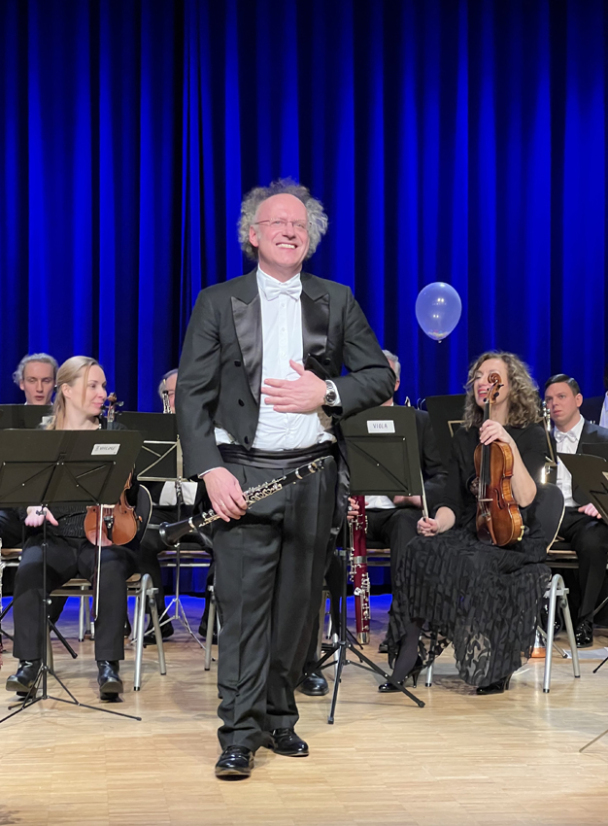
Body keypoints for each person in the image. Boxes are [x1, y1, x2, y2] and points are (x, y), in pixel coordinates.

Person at [176, 179, 393, 779]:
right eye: (278, 223)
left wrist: (326, 392)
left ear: (310, 238)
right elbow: (191, 397)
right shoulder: (218, 301)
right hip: (241, 473)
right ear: (254, 235)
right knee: (245, 611)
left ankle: (279, 717)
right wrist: (211, 470)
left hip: (312, 475)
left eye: (300, 224)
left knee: (297, 612)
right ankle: (238, 733)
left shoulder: (336, 299)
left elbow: (378, 375)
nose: (291, 231)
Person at [385, 351, 550, 695]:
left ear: (511, 385)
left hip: (515, 538)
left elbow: (525, 497)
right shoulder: (465, 437)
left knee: (476, 563)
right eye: (477, 376)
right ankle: (409, 655)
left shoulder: (531, 434)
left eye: (492, 376)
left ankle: (497, 663)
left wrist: (507, 441)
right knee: (419, 550)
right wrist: (437, 523)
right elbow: (452, 502)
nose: (482, 382)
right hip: (473, 530)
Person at [299, 349, 447, 697]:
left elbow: (441, 477)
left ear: (395, 383)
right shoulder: (343, 421)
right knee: (312, 538)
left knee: (408, 529)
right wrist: (339, 503)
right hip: (352, 514)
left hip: (398, 514)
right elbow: (326, 471)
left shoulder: (419, 421)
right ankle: (309, 654)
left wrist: (416, 496)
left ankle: (403, 644)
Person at [5, 357, 140, 700]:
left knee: (110, 569)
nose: (102, 393)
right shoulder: (43, 438)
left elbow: (132, 492)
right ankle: (28, 665)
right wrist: (31, 508)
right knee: (30, 570)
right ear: (66, 390)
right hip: (54, 537)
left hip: (103, 536)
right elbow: (22, 492)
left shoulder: (116, 434)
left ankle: (108, 666)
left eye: (103, 386)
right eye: (92, 386)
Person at [138, 369, 206, 643]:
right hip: (163, 512)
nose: (177, 398)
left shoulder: (209, 428)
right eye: (171, 393)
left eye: (183, 391)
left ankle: (212, 622)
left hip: (201, 511)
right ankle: (158, 621)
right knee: (141, 542)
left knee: (228, 541)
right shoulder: (151, 434)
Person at [544, 373, 608, 647]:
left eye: (561, 397)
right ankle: (541, 617)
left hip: (585, 515)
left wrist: (602, 502)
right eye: (549, 399)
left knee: (594, 542)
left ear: (578, 400)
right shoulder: (540, 439)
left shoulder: (602, 437)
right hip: (550, 513)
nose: (554, 404)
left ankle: (585, 620)